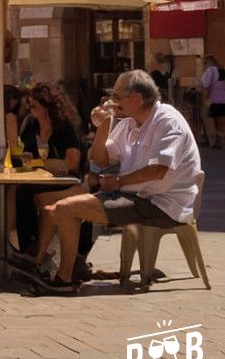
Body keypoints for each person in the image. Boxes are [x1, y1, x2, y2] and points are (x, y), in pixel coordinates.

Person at [35, 70, 202, 293]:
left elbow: (158, 170)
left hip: (161, 204)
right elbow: (101, 160)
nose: (112, 102)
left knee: (65, 209)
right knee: (56, 207)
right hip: (135, 196)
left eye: (116, 96)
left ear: (136, 99)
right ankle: (53, 268)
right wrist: (103, 125)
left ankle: (63, 280)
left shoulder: (167, 122)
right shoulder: (131, 122)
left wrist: (118, 181)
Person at [14, 82, 85, 255]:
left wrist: (39, 163)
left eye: (34, 105)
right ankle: (24, 245)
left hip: (63, 181)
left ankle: (32, 246)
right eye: (28, 105)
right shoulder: (31, 124)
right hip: (37, 178)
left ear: (47, 104)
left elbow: (71, 163)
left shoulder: (63, 126)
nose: (31, 109)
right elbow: (22, 153)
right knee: (14, 192)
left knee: (25, 194)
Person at [200, 55, 225, 149]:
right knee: (222, 121)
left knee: (215, 122)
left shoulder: (211, 69)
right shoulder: (222, 69)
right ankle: (220, 140)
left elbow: (206, 84)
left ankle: (217, 141)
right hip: (223, 100)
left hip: (215, 99)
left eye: (205, 63)